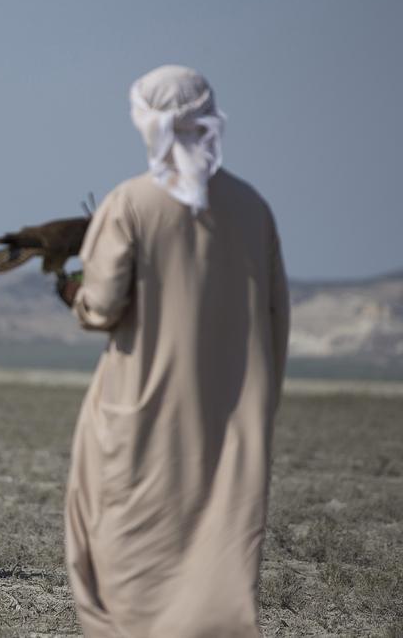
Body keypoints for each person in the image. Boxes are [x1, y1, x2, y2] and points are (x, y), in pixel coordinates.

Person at [59, 65, 290, 637]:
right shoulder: (252, 208)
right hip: (230, 420)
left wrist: (75, 296)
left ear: (147, 121)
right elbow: (277, 316)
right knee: (218, 553)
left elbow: (103, 304)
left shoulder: (131, 204)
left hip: (140, 412)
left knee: (118, 551)